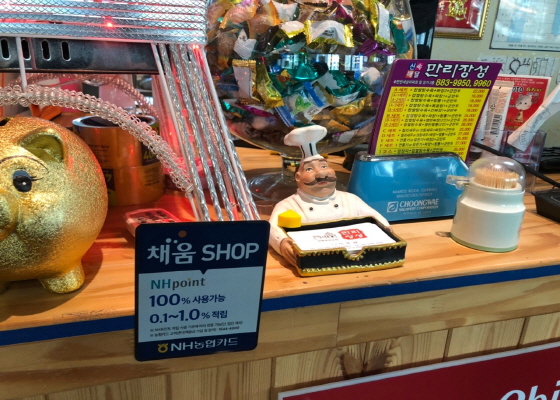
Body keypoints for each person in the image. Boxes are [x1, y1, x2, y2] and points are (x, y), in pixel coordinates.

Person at [269, 126, 390, 266]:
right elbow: (272, 228)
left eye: (324, 166)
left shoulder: (350, 200)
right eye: (309, 169)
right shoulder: (289, 205)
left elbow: (374, 217)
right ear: (298, 177)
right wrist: (282, 242)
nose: (321, 174)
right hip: (313, 260)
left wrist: (385, 229)